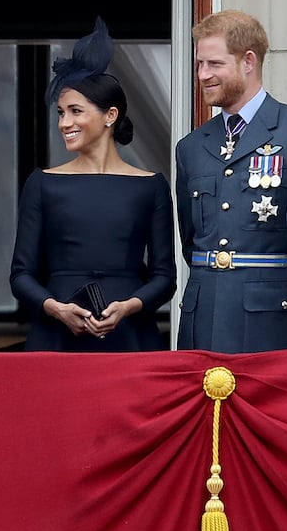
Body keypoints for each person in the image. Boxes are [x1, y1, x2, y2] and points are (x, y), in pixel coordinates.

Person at [10, 18, 176, 352]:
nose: (64, 123)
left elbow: (164, 277)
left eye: (75, 111)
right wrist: (55, 307)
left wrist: (130, 305)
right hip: (56, 336)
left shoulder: (151, 186)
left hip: (130, 336)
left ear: (109, 116)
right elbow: (21, 276)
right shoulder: (43, 183)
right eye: (60, 113)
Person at [174, 10, 287, 352]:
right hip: (203, 314)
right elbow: (191, 239)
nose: (203, 75)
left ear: (248, 61)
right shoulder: (191, 147)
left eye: (214, 64)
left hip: (272, 317)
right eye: (200, 64)